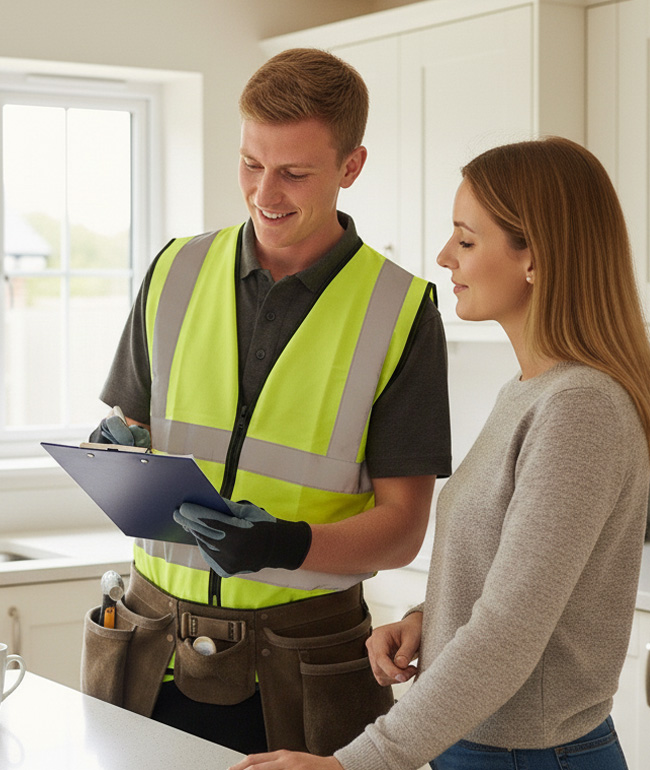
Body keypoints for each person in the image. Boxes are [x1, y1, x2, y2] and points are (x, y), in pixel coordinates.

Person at [227, 136, 650, 770]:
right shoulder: (532, 391)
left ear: (534, 257)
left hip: (530, 757)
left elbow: (509, 633)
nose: (444, 255)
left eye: (467, 240)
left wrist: (352, 764)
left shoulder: (578, 408)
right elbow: (521, 582)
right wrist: (433, 618)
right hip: (488, 749)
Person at [81, 47, 452, 757]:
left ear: (351, 167)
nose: (264, 192)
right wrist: (114, 453)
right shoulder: (175, 269)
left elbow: (403, 528)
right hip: (150, 651)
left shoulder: (401, 311)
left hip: (303, 666)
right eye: (251, 163)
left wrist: (285, 544)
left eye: (294, 173)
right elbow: (131, 430)